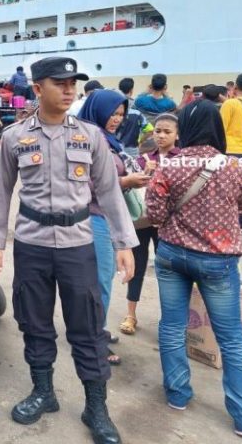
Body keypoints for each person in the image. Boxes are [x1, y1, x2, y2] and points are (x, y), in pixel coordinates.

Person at [0, 57, 137, 444]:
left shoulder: (89, 135)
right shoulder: (15, 137)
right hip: (32, 245)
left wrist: (124, 242)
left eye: (73, 83)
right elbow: (1, 191)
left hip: (78, 245)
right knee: (34, 322)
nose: (69, 90)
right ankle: (43, 392)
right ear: (38, 88)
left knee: (87, 327)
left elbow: (108, 190)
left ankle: (96, 406)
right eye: (59, 82)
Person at [145, 100, 242, 439]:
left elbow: (155, 215)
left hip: (171, 256)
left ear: (186, 129)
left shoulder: (168, 166)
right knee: (233, 340)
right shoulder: (235, 167)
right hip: (218, 261)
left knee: (172, 327)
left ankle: (178, 395)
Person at [78, 89, 151, 366]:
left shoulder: (107, 140)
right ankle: (94, 340)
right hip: (95, 217)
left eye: (121, 115)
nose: (117, 120)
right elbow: (90, 186)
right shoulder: (88, 141)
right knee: (102, 281)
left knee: (101, 280)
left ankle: (95, 330)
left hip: (106, 216)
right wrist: (127, 181)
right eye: (112, 114)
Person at [119, 113, 180, 336]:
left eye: (167, 131)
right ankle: (131, 314)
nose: (161, 135)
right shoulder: (144, 158)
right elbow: (133, 188)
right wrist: (145, 173)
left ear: (177, 134)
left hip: (168, 224)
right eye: (158, 131)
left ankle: (170, 320)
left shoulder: (182, 158)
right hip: (143, 221)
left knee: (169, 271)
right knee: (137, 265)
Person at [116, 77, 152, 158]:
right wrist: (140, 141)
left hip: (116, 150)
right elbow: (150, 130)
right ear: (131, 91)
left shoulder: (113, 111)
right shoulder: (137, 113)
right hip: (132, 151)